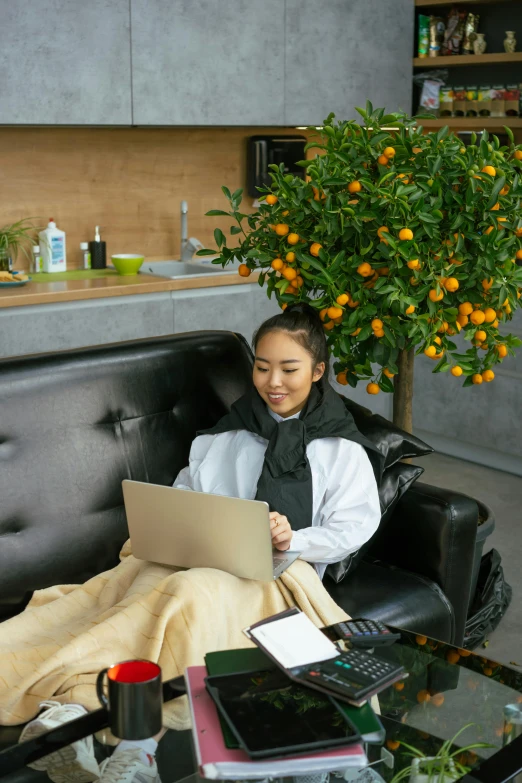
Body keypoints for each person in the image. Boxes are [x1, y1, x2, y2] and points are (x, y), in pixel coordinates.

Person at [3, 303, 381, 783]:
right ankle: (73, 715)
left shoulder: (342, 449)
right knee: (151, 582)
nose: (274, 382)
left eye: (290, 369)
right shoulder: (227, 436)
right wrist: (190, 524)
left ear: (318, 371)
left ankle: (127, 742)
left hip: (281, 581)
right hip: (203, 563)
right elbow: (185, 495)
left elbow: (353, 527)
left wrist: (294, 538)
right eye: (262, 368)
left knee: (187, 595)